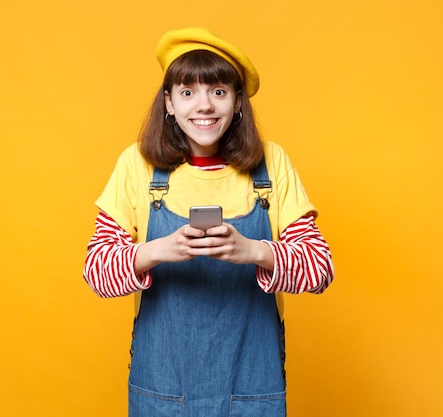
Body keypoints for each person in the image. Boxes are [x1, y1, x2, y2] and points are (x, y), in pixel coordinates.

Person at [83, 27, 334, 417]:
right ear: (169, 103)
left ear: (237, 103)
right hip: (162, 393)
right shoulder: (137, 165)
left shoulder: (271, 164)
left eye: (218, 91)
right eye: (187, 92)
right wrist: (156, 251)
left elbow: (320, 270)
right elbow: (97, 273)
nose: (204, 106)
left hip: (252, 393)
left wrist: (252, 250)